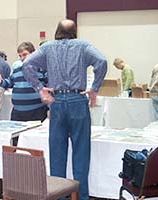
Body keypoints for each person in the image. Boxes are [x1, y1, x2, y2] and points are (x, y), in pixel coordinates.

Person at [23, 19, 107, 200]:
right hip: (78, 100)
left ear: (57, 31)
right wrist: (94, 88)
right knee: (81, 152)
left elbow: (27, 64)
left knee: (57, 152)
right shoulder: (83, 46)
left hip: (57, 101)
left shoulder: (47, 47)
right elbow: (102, 61)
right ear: (75, 31)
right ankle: (81, 196)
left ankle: (58, 196)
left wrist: (40, 88)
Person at [0, 42, 48, 122]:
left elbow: (50, 90)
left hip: (37, 112)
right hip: (18, 113)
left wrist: (49, 109)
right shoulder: (17, 70)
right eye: (20, 56)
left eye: (24, 54)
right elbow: (9, 82)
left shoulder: (42, 70)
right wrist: (0, 81)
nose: (22, 58)